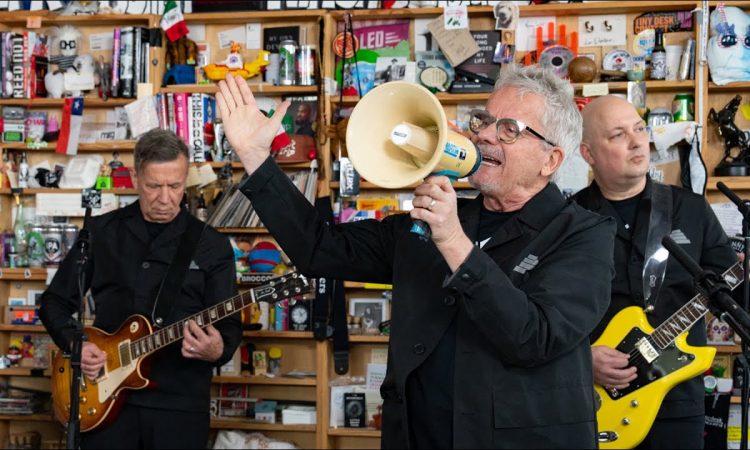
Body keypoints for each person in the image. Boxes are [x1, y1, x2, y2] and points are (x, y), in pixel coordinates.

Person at [216, 64, 616, 448]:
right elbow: (318, 248)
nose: (487, 136)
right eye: (484, 121)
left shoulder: (584, 234)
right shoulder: (439, 218)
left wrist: (453, 241)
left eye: (509, 129)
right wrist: (255, 157)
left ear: (551, 160)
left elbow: (536, 338)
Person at [39, 128, 242, 449]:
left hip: (180, 405)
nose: (165, 198)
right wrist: (77, 346)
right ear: (135, 177)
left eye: (175, 186)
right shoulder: (102, 231)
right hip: (104, 400)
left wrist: (216, 348)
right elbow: (53, 303)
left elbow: (229, 325)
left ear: (185, 177)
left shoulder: (210, 244)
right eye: (153, 186)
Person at [573, 95, 738, 449]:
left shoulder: (690, 209)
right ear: (588, 154)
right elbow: (538, 311)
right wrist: (579, 358)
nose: (637, 142)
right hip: (590, 400)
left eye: (639, 129)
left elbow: (735, 292)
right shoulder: (568, 219)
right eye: (618, 134)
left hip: (676, 402)